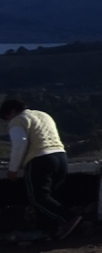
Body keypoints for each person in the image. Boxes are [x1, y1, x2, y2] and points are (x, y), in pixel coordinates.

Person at [2, 98, 79, 241]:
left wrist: (13, 169)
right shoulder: (43, 115)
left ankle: (69, 219)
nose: (7, 121)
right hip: (61, 157)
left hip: (40, 159)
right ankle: (50, 228)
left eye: (6, 117)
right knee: (51, 196)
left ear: (11, 112)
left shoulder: (17, 120)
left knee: (38, 198)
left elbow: (20, 143)